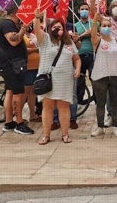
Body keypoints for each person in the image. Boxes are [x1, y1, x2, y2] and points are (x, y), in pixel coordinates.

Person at [33, 10, 81, 144]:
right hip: (47, 80)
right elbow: (37, 29)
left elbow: (76, 58)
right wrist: (37, 18)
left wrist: (77, 69)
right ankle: (46, 135)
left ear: (64, 29)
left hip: (65, 80)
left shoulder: (69, 42)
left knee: (64, 107)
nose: (56, 29)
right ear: (49, 29)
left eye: (59, 27)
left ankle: (65, 134)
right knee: (47, 108)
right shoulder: (45, 40)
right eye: (54, 27)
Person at [0, 4, 34, 135]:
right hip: (11, 65)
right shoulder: (7, 24)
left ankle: (9, 121)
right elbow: (14, 41)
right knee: (18, 93)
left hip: (12, 64)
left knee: (10, 92)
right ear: (15, 13)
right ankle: (19, 122)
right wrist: (23, 29)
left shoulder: (7, 24)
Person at [90, 13, 117, 137]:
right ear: (100, 28)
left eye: (108, 25)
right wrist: (95, 21)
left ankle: (115, 126)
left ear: (112, 27)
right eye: (104, 25)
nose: (106, 27)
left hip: (115, 75)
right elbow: (93, 33)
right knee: (100, 103)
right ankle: (100, 126)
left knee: (115, 102)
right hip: (100, 76)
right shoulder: (97, 40)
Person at [72, 3, 95, 129]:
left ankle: (97, 101)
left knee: (94, 78)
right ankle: (79, 102)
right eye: (82, 9)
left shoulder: (93, 23)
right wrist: (81, 36)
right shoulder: (75, 25)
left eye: (86, 9)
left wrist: (80, 36)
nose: (84, 11)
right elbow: (74, 40)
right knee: (79, 80)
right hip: (79, 55)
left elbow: (93, 33)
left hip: (92, 54)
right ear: (78, 11)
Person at [24, 24, 41, 122]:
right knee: (25, 93)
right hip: (28, 67)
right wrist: (36, 50)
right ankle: (18, 116)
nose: (30, 25)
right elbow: (23, 50)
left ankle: (32, 115)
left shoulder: (33, 35)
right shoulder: (21, 36)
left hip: (37, 66)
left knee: (32, 93)